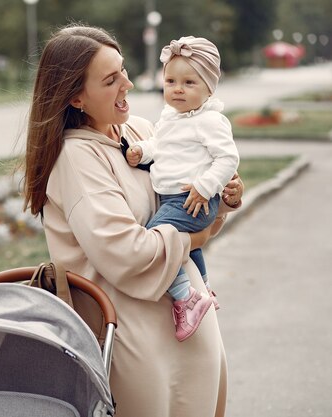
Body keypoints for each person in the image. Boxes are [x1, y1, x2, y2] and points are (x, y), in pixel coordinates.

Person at [21, 24, 243, 417]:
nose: (128, 84)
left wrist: (221, 198)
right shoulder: (75, 160)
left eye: (123, 70)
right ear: (75, 97)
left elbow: (178, 200)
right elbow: (126, 252)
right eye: (110, 79)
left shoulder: (141, 131)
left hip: (187, 327)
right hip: (134, 338)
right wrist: (195, 239)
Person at [124, 36, 240, 342]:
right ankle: (203, 287)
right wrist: (142, 151)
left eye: (189, 82)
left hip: (193, 200)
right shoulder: (170, 118)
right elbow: (161, 146)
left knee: (156, 238)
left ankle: (186, 298)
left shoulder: (210, 120)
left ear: (209, 88)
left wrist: (205, 187)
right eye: (171, 80)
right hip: (175, 198)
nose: (177, 88)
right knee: (193, 249)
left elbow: (228, 158)